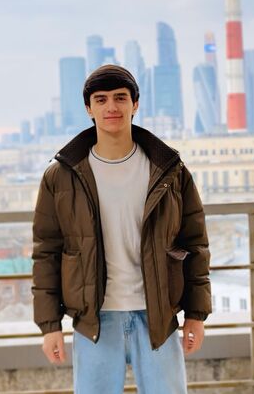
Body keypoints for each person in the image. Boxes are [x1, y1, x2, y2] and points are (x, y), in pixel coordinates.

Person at [32, 64, 212, 394]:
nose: (111, 107)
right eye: (100, 100)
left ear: (135, 104)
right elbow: (46, 253)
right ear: (88, 109)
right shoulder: (61, 176)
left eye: (120, 97)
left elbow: (195, 243)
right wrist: (49, 325)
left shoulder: (169, 171)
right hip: (95, 321)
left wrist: (196, 315)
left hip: (158, 316)